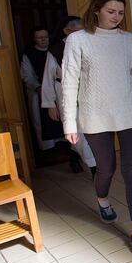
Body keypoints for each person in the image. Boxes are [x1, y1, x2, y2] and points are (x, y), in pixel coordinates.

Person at [60, 0, 132, 254]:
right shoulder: (78, 40)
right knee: (106, 168)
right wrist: (69, 123)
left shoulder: (129, 41)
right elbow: (69, 84)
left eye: (121, 13)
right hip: (94, 114)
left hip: (130, 113)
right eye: (111, 11)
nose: (116, 17)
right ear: (96, 10)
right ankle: (103, 200)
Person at [41, 16, 97, 176]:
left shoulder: (90, 45)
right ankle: (94, 169)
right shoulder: (56, 50)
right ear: (67, 31)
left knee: (90, 129)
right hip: (66, 93)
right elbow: (48, 78)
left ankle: (76, 156)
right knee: (77, 131)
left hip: (90, 93)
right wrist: (50, 104)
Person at [20, 26, 59, 151]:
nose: (43, 40)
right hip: (39, 92)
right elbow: (27, 75)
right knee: (43, 123)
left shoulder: (55, 51)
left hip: (57, 91)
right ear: (34, 39)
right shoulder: (29, 55)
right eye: (39, 38)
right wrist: (38, 88)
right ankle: (49, 149)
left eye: (45, 37)